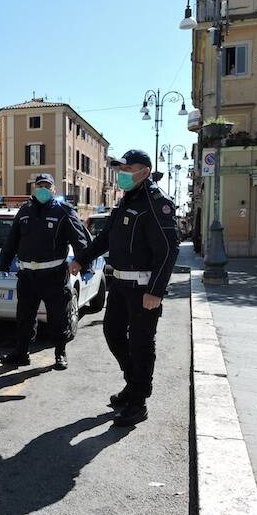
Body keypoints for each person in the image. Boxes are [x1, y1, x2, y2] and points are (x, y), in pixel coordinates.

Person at [71, 150, 179, 427]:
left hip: (144, 288)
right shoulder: (125, 201)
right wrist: (81, 260)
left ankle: (138, 401)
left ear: (144, 171)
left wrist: (155, 291)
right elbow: (106, 238)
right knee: (113, 333)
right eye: (121, 168)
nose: (122, 173)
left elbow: (168, 250)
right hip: (119, 284)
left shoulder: (156, 203)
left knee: (141, 344)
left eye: (128, 168)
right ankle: (134, 384)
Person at [0, 173, 91, 370]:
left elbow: (80, 240)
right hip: (27, 276)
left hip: (54, 275)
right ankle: (21, 354)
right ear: (34, 188)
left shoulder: (63, 211)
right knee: (24, 317)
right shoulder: (24, 211)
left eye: (47, 186)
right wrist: (4, 263)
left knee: (58, 317)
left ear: (54, 190)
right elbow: (12, 240)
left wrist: (84, 263)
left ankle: (60, 353)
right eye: (39, 185)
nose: (43, 189)